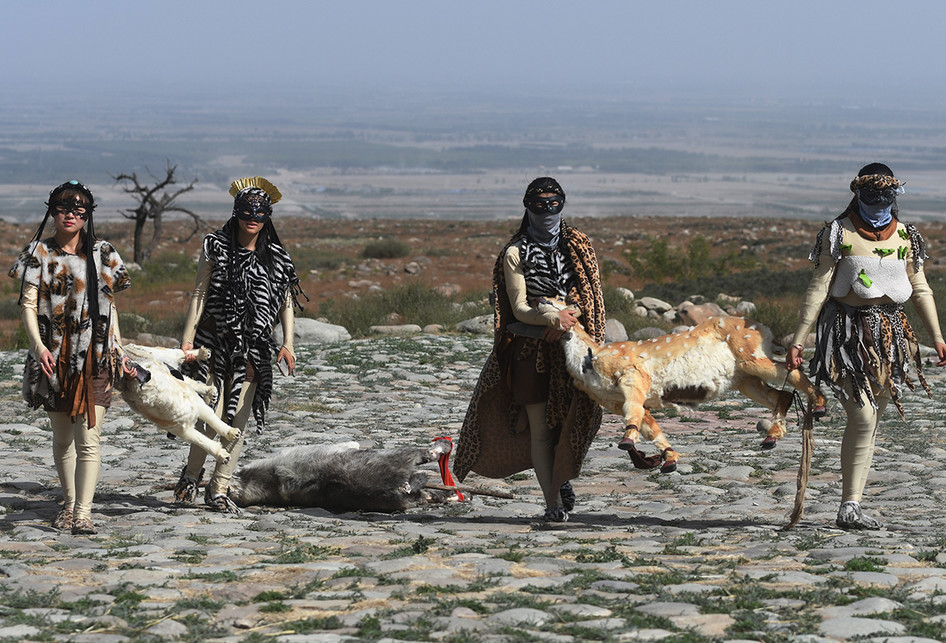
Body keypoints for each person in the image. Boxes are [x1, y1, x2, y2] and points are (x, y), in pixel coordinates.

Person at [787, 163, 946, 530]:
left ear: (894, 197)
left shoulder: (907, 236)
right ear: (857, 194)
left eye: (885, 197)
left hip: (891, 334)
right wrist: (798, 339)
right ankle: (849, 505)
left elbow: (920, 289)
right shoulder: (838, 233)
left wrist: (936, 336)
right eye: (872, 197)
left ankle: (852, 505)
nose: (879, 204)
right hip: (846, 334)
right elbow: (818, 288)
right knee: (861, 416)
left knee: (871, 421)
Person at [454, 177, 605, 522]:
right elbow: (519, 307)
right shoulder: (514, 252)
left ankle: (561, 477)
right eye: (540, 205)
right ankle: (552, 501)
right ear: (527, 207)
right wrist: (551, 320)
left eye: (555, 204)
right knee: (540, 429)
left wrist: (569, 317)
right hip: (530, 354)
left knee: (572, 421)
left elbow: (590, 293)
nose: (548, 211)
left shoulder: (578, 246)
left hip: (574, 349)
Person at [9, 180, 134, 535]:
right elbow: (29, 305)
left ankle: (83, 512)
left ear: (87, 216)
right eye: (63, 208)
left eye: (79, 211)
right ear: (52, 211)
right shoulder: (39, 252)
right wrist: (38, 346)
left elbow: (112, 307)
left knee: (89, 439)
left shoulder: (104, 253)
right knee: (62, 439)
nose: (70, 215)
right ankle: (68, 502)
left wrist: (118, 349)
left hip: (96, 358)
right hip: (55, 358)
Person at [174, 176, 303, 512]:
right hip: (212, 345)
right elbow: (199, 292)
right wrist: (188, 340)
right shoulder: (215, 246)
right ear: (235, 212)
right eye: (247, 210)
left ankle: (219, 487)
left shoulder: (277, 257)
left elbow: (286, 300)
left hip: (254, 349)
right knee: (207, 417)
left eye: (260, 212)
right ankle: (191, 475)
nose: (253, 217)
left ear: (268, 217)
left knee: (237, 422)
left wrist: (287, 342)